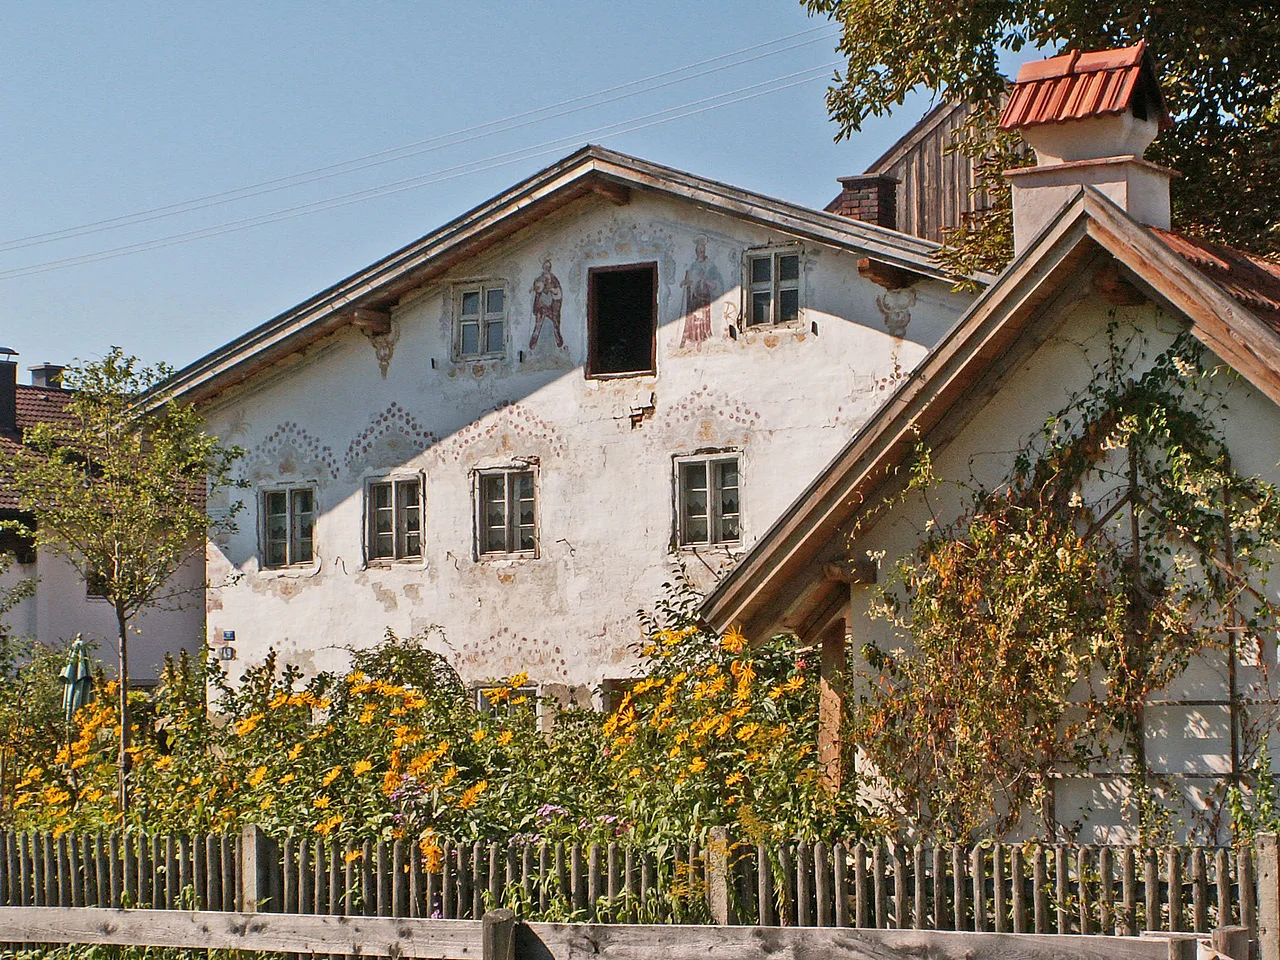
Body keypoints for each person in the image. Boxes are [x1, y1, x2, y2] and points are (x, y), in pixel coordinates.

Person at [679, 237, 723, 349]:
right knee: (693, 317)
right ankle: (693, 338)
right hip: (695, 295)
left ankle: (702, 338)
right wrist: (686, 282)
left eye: (702, 250)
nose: (700, 252)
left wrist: (706, 280)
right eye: (699, 250)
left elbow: (717, 282)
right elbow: (691, 279)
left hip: (704, 295)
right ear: (696, 251)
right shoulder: (693, 265)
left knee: (703, 316)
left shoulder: (710, 266)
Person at [529, 259, 564, 350]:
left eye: (548, 267)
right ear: (543, 268)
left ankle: (558, 342)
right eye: (545, 267)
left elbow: (558, 292)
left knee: (554, 324)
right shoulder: (539, 279)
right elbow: (537, 288)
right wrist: (535, 288)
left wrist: (552, 289)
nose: (547, 269)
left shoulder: (553, 279)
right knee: (539, 324)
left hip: (552, 305)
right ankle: (534, 343)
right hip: (541, 304)